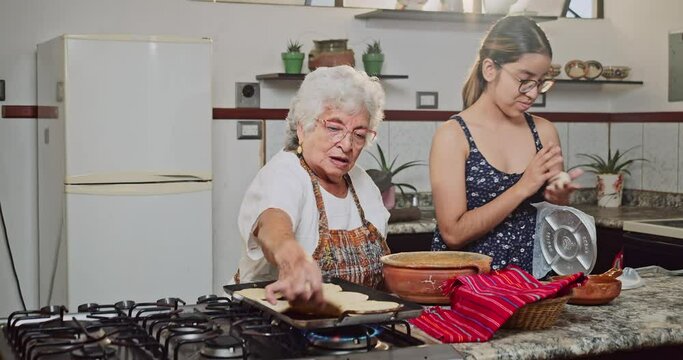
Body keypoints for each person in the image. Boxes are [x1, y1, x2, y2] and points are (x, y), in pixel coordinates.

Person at [430, 16, 582, 273]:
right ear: (490, 69)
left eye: (540, 81)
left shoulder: (544, 132)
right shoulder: (453, 136)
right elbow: (453, 234)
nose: (533, 93)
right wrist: (523, 187)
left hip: (535, 287)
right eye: (524, 79)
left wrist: (560, 199)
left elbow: (555, 226)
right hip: (471, 289)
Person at [235, 65, 390, 306]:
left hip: (353, 329)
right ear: (302, 127)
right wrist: (293, 259)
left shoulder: (364, 185)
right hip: (275, 325)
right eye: (334, 128)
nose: (347, 145)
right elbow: (272, 225)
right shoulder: (285, 172)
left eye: (359, 134)